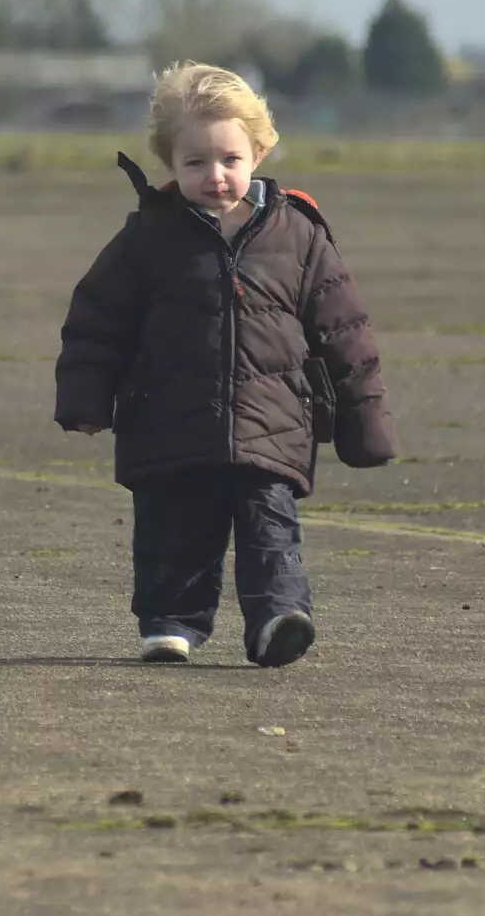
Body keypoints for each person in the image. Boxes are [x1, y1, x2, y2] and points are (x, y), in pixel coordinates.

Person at [54, 62, 398, 667]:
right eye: (196, 164)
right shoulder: (147, 239)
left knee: (273, 533)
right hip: (169, 421)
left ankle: (278, 621)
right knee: (171, 532)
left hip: (273, 424)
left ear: (258, 152)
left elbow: (346, 332)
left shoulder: (299, 235)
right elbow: (95, 322)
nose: (216, 177)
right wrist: (85, 402)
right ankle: (171, 624)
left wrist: (365, 425)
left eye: (230, 160)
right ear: (169, 164)